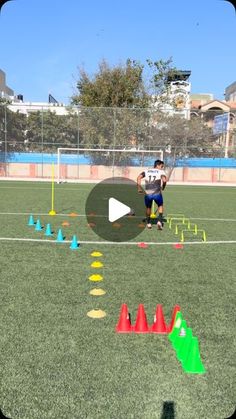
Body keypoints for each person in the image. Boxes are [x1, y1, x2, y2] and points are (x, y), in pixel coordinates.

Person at [137, 159, 167, 230]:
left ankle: (149, 223)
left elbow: (139, 178)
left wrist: (139, 188)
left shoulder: (146, 171)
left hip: (148, 193)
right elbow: (164, 180)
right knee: (160, 205)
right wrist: (163, 187)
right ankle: (159, 221)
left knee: (148, 207)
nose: (162, 168)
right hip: (157, 193)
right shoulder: (161, 172)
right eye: (161, 166)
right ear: (158, 165)